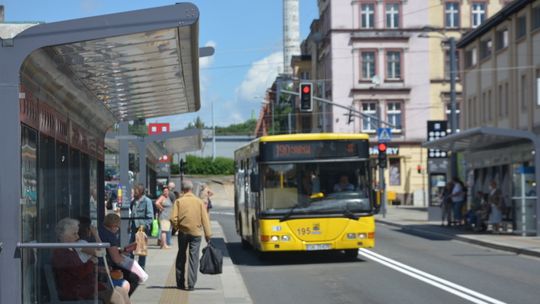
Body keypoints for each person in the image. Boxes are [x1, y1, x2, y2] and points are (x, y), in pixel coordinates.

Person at [52, 218, 131, 304]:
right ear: (63, 235)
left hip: (84, 287)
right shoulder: (61, 253)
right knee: (115, 296)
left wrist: (95, 267)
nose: (77, 237)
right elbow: (78, 273)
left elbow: (79, 269)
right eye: (74, 234)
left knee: (121, 291)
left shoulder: (70, 250)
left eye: (77, 233)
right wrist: (91, 262)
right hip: (76, 290)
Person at [170, 180, 212, 291]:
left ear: (183, 190)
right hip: (196, 233)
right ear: (192, 189)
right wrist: (208, 235)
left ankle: (180, 283)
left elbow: (173, 218)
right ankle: (191, 283)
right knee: (194, 258)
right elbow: (205, 219)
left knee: (181, 256)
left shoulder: (179, 201)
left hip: (183, 232)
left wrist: (177, 227)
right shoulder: (199, 202)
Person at [99, 213, 148, 294]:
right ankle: (124, 298)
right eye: (118, 227)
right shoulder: (109, 236)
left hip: (104, 264)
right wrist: (127, 260)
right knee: (134, 277)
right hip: (106, 266)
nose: (118, 229)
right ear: (113, 225)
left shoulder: (101, 230)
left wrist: (123, 251)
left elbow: (110, 251)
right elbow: (116, 259)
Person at [129, 183, 154, 269]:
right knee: (130, 250)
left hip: (141, 228)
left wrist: (143, 226)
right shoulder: (133, 202)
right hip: (133, 228)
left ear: (140, 192)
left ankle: (141, 270)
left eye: (135, 191)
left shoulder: (147, 201)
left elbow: (150, 217)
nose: (133, 193)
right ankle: (131, 269)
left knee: (141, 252)